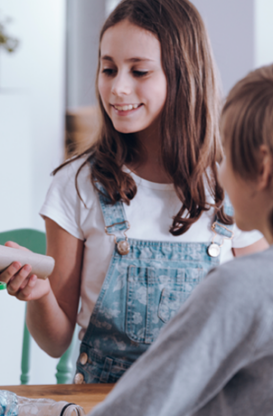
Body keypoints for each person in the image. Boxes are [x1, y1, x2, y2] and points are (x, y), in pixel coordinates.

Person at [0, 0, 268, 384]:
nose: (117, 88)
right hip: (106, 402)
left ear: (184, 76)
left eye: (139, 71)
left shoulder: (228, 185)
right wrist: (38, 293)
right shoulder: (77, 185)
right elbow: (54, 341)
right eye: (108, 69)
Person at [90, 63, 273, 415]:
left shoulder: (240, 288)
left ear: (262, 168)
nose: (219, 170)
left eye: (227, 155)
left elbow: (136, 409)